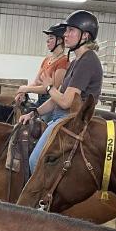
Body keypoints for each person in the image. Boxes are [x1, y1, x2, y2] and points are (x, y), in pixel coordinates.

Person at [19, 10, 103, 172]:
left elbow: (66, 102)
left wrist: (49, 87)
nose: (65, 34)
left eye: (71, 30)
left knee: (35, 162)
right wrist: (33, 113)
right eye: (66, 30)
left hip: (71, 121)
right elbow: (56, 99)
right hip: (61, 117)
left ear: (85, 36)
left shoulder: (88, 61)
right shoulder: (76, 61)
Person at [15, 23, 69, 115]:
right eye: (48, 37)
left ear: (60, 40)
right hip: (40, 101)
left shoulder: (64, 61)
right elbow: (36, 82)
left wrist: (26, 89)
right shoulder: (47, 59)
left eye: (51, 38)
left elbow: (52, 88)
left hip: (50, 104)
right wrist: (23, 92)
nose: (47, 40)